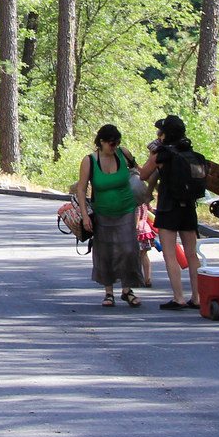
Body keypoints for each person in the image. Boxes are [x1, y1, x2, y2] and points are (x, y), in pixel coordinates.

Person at [71, 124, 145, 307]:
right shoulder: (90, 161)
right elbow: (81, 189)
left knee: (128, 250)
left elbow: (140, 171)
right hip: (102, 212)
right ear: (101, 142)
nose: (115, 147)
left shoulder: (123, 154)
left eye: (118, 143)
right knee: (105, 252)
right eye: (112, 143)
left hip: (126, 209)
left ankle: (128, 290)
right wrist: (85, 216)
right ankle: (108, 292)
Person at [136, 115, 203, 310]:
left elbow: (144, 174)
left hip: (168, 206)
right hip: (189, 206)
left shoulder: (162, 154)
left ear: (164, 135)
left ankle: (178, 297)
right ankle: (197, 297)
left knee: (170, 253)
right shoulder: (191, 153)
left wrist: (153, 153)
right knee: (192, 254)